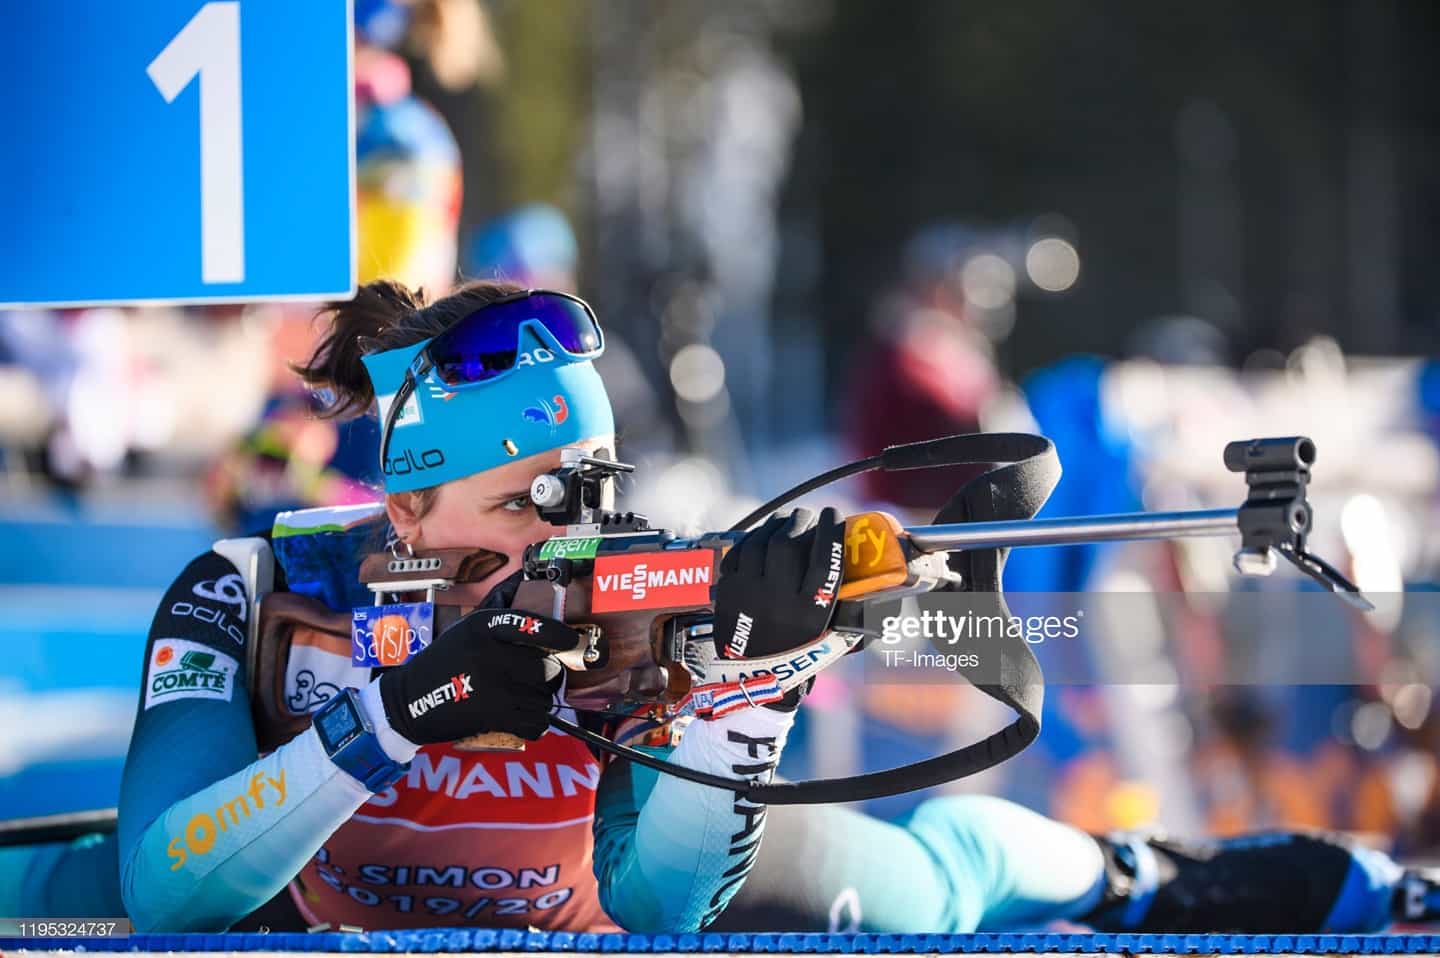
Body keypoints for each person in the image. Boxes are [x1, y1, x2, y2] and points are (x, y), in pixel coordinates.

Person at [6, 280, 1437, 934]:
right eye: (518, 509)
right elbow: (168, 892)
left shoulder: (645, 598)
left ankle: (1143, 881)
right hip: (301, 892)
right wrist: (401, 714)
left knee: (925, 894)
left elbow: (660, 911)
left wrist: (747, 699)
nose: (566, 543)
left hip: (577, 907)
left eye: (589, 492)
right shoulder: (258, 591)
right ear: (407, 514)